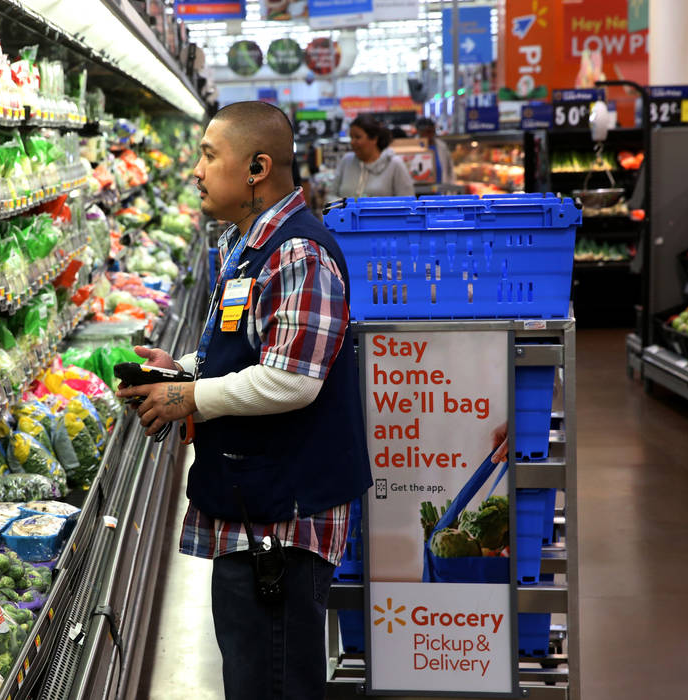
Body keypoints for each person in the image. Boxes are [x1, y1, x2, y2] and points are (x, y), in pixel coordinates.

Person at [116, 100, 372, 699]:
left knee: (273, 680)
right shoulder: (250, 244)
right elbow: (243, 350)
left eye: (209, 156)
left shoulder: (298, 254)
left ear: (257, 167)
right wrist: (177, 371)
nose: (197, 171)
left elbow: (292, 379)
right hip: (256, 507)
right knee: (253, 671)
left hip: (283, 521)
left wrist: (191, 398)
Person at [331, 114, 414, 198]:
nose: (352, 142)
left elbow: (408, 201)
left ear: (374, 139)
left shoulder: (394, 164)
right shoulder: (346, 161)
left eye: (357, 137)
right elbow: (331, 195)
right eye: (351, 137)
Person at [416, 116, 455, 185]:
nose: (431, 134)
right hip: (420, 189)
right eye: (428, 132)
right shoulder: (413, 146)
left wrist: (451, 185)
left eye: (433, 131)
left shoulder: (442, 146)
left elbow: (450, 169)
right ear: (420, 132)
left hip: (440, 188)